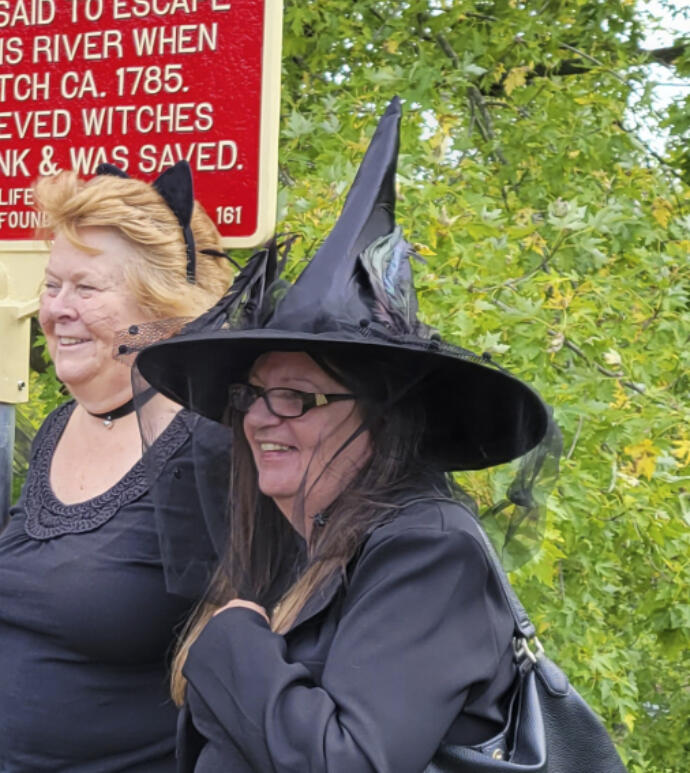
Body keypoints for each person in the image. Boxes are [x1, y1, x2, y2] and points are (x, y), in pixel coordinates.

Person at [136, 99, 559, 772]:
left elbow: (347, 762)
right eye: (254, 394)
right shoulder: (302, 545)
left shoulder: (429, 551)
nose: (260, 417)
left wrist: (231, 637)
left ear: (381, 417)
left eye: (298, 397)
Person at [0, 162, 234, 772]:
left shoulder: (212, 443)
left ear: (163, 304)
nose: (58, 310)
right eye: (52, 285)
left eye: (86, 289)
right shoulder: (61, 426)